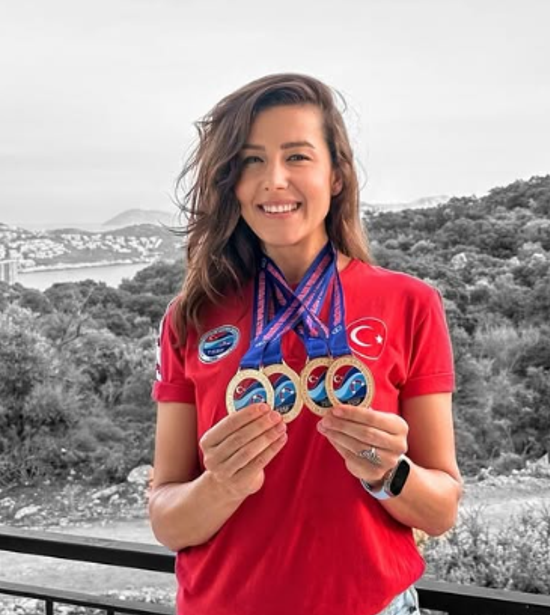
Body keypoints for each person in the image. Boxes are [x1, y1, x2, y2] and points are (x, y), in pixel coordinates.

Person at [149, 73, 462, 615]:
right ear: (231, 182)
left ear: (336, 175)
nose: (274, 180)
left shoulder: (410, 303)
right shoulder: (190, 317)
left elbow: (440, 512)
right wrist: (222, 484)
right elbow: (167, 522)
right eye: (251, 160)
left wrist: (388, 472)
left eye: (297, 156)